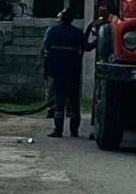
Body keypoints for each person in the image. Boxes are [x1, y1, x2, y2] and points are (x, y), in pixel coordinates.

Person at [43, 8, 94, 138]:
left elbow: (46, 48)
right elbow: (86, 47)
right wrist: (98, 41)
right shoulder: (77, 33)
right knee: (74, 101)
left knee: (59, 100)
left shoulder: (52, 31)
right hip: (73, 71)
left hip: (57, 70)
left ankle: (58, 130)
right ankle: (74, 131)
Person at [39, 11, 63, 118]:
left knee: (55, 87)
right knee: (50, 87)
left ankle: (56, 108)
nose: (58, 20)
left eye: (59, 17)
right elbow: (44, 46)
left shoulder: (53, 31)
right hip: (52, 63)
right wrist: (39, 60)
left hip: (58, 64)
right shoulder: (52, 30)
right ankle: (51, 108)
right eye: (57, 17)